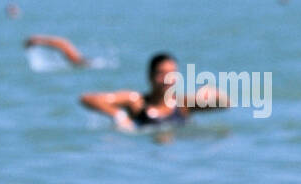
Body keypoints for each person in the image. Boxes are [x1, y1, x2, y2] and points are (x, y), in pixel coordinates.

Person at [79, 52, 228, 131]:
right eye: (161, 74)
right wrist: (118, 115)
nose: (167, 79)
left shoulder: (183, 104)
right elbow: (87, 99)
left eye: (172, 74)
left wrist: (207, 91)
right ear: (150, 76)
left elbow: (225, 102)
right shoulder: (136, 101)